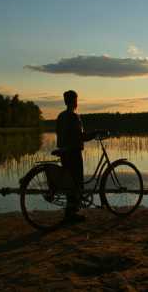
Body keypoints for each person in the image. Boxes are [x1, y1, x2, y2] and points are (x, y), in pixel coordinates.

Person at [56, 90, 96, 222]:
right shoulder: (74, 117)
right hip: (73, 153)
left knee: (70, 183)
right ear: (74, 102)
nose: (76, 102)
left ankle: (70, 212)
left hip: (64, 153)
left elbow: (59, 134)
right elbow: (81, 136)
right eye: (76, 100)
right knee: (77, 183)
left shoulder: (61, 116)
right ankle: (72, 214)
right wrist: (94, 134)